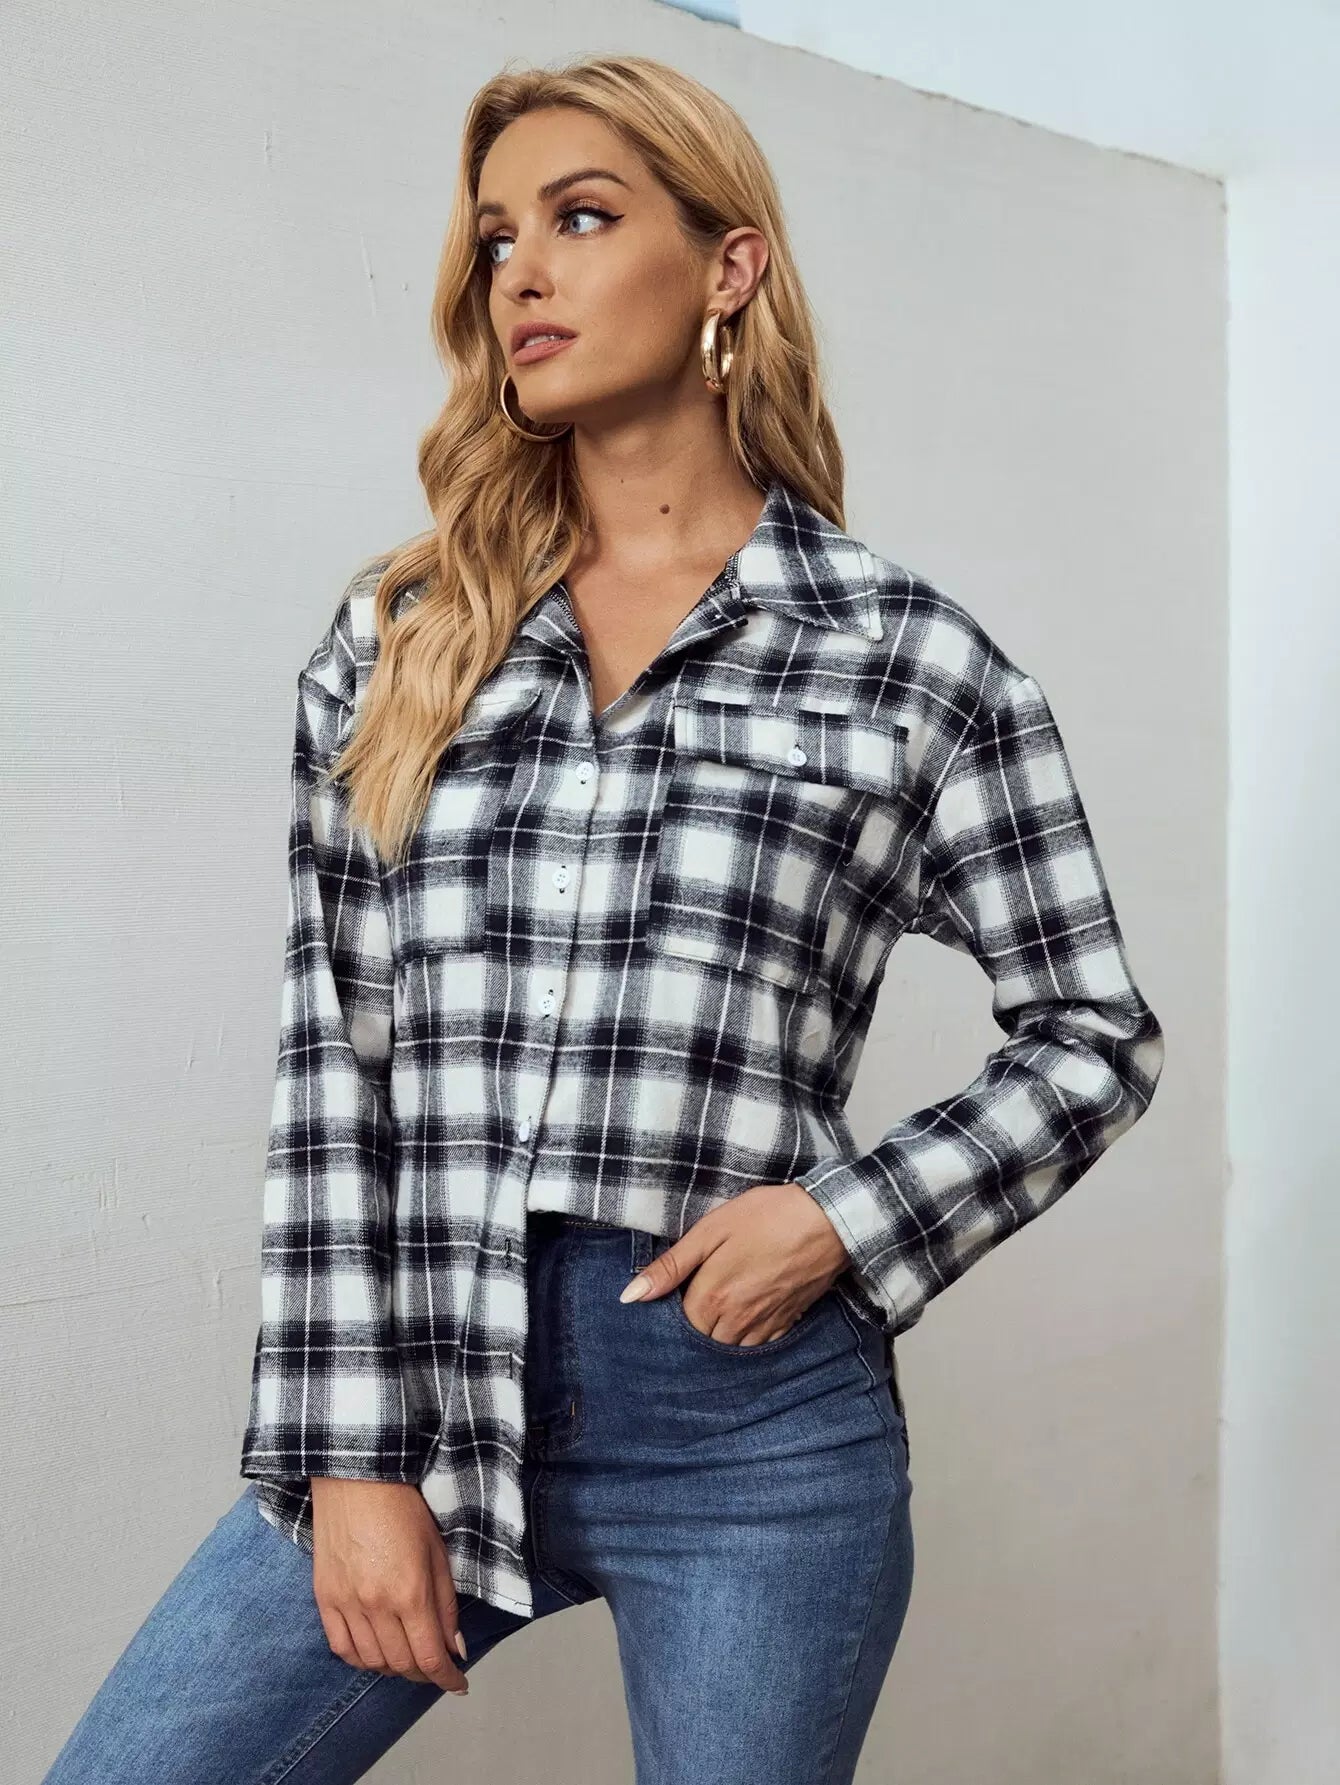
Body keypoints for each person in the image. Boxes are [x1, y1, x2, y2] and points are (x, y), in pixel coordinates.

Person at [41, 51, 1165, 1785]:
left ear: (730, 267)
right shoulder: (405, 635)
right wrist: (352, 1458)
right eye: (498, 239)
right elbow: (338, 1062)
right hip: (423, 1387)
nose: (523, 275)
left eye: (580, 218)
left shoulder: (907, 662)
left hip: (750, 1431)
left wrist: (845, 1219)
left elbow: (1094, 1033)